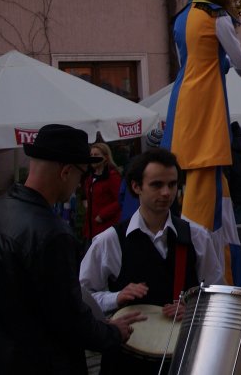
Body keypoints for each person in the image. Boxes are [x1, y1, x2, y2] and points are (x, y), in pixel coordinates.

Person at [0, 124, 143, 375]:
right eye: (82, 174)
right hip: (31, 363)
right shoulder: (51, 233)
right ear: (66, 172)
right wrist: (112, 332)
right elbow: (68, 319)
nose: (81, 182)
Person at [80, 149, 223, 375]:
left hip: (182, 357)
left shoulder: (196, 236)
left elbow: (217, 292)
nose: (167, 192)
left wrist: (195, 309)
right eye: (156, 185)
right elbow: (83, 297)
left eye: (172, 184)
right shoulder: (110, 241)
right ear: (136, 187)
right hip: (125, 359)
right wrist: (115, 297)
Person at [162, 0, 241, 277]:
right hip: (207, 104)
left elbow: (190, 61)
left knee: (210, 183)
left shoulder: (181, 18)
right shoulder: (217, 16)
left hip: (183, 101)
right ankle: (205, 267)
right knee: (205, 186)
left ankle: (225, 265)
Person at [120, 128, 163, 223]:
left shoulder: (132, 164)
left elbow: (121, 194)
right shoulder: (163, 167)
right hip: (150, 219)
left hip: (129, 216)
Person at [83, 142, 122, 241]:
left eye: (96, 155)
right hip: (91, 229)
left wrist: (102, 215)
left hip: (106, 227)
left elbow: (120, 199)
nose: (93, 157)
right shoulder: (90, 178)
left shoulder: (112, 177)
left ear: (105, 157)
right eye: (91, 155)